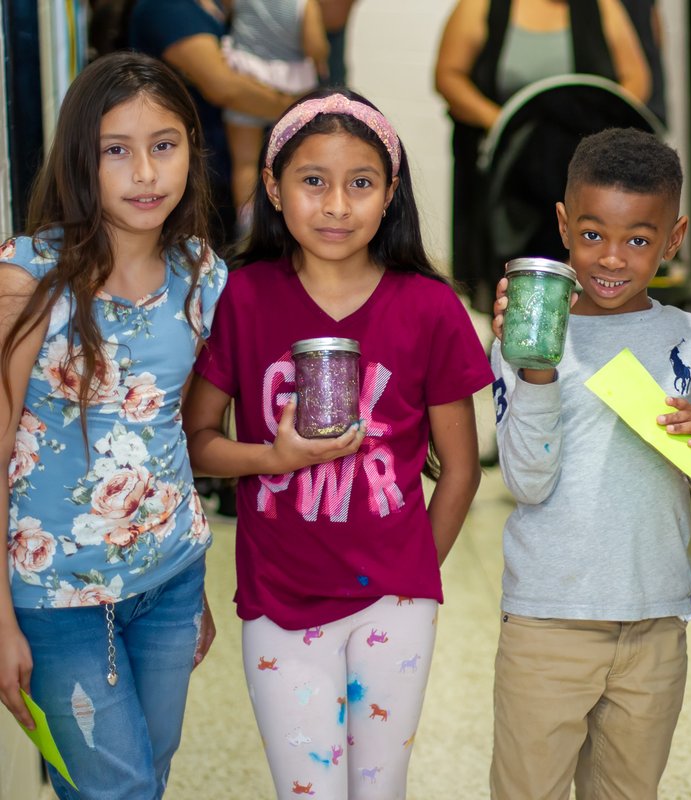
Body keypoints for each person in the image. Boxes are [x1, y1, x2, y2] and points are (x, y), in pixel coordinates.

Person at [182, 88, 493, 799]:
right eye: (312, 181)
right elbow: (196, 442)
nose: (336, 205)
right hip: (278, 600)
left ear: (390, 195)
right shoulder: (242, 296)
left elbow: (462, 472)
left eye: (361, 184)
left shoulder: (429, 306)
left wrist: (412, 574)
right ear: (273, 187)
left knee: (380, 790)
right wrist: (272, 460)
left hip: (395, 601)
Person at [0, 51, 227, 799]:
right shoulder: (27, 277)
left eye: (164, 146)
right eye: (116, 152)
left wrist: (193, 590)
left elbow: (178, 431)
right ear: (79, 159)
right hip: (55, 599)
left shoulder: (202, 275)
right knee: (118, 793)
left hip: (169, 579)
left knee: (147, 780)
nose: (145, 174)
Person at [488, 127, 691, 799]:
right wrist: (533, 371)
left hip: (655, 622)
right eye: (593, 235)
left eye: (639, 240)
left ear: (673, 238)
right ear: (564, 224)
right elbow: (527, 482)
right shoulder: (530, 335)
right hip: (547, 622)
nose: (613, 259)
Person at [435, 0, 651, 312]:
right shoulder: (481, 6)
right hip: (510, 172)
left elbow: (636, 80)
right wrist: (503, 122)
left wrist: (604, 128)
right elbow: (448, 77)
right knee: (515, 282)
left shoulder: (603, 7)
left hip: (579, 166)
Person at [128, 0, 299, 250]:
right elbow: (223, 87)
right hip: (200, 184)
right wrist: (300, 107)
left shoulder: (222, 8)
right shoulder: (168, 8)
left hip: (223, 177)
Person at [223, 0, 329, 230]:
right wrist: (322, 51)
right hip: (290, 83)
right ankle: (296, 220)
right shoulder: (305, 4)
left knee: (245, 163)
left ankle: (247, 224)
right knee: (300, 161)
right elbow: (315, 47)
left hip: (247, 77)